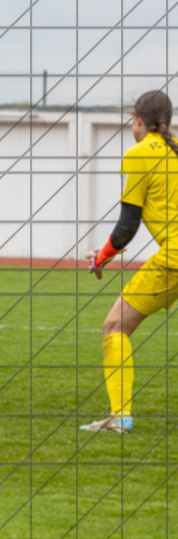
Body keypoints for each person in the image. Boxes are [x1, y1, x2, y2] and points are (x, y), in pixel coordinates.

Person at [82, 90, 178, 434]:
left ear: (137, 119)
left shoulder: (138, 155)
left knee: (114, 327)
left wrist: (102, 256)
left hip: (174, 261)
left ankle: (120, 417)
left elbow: (127, 226)